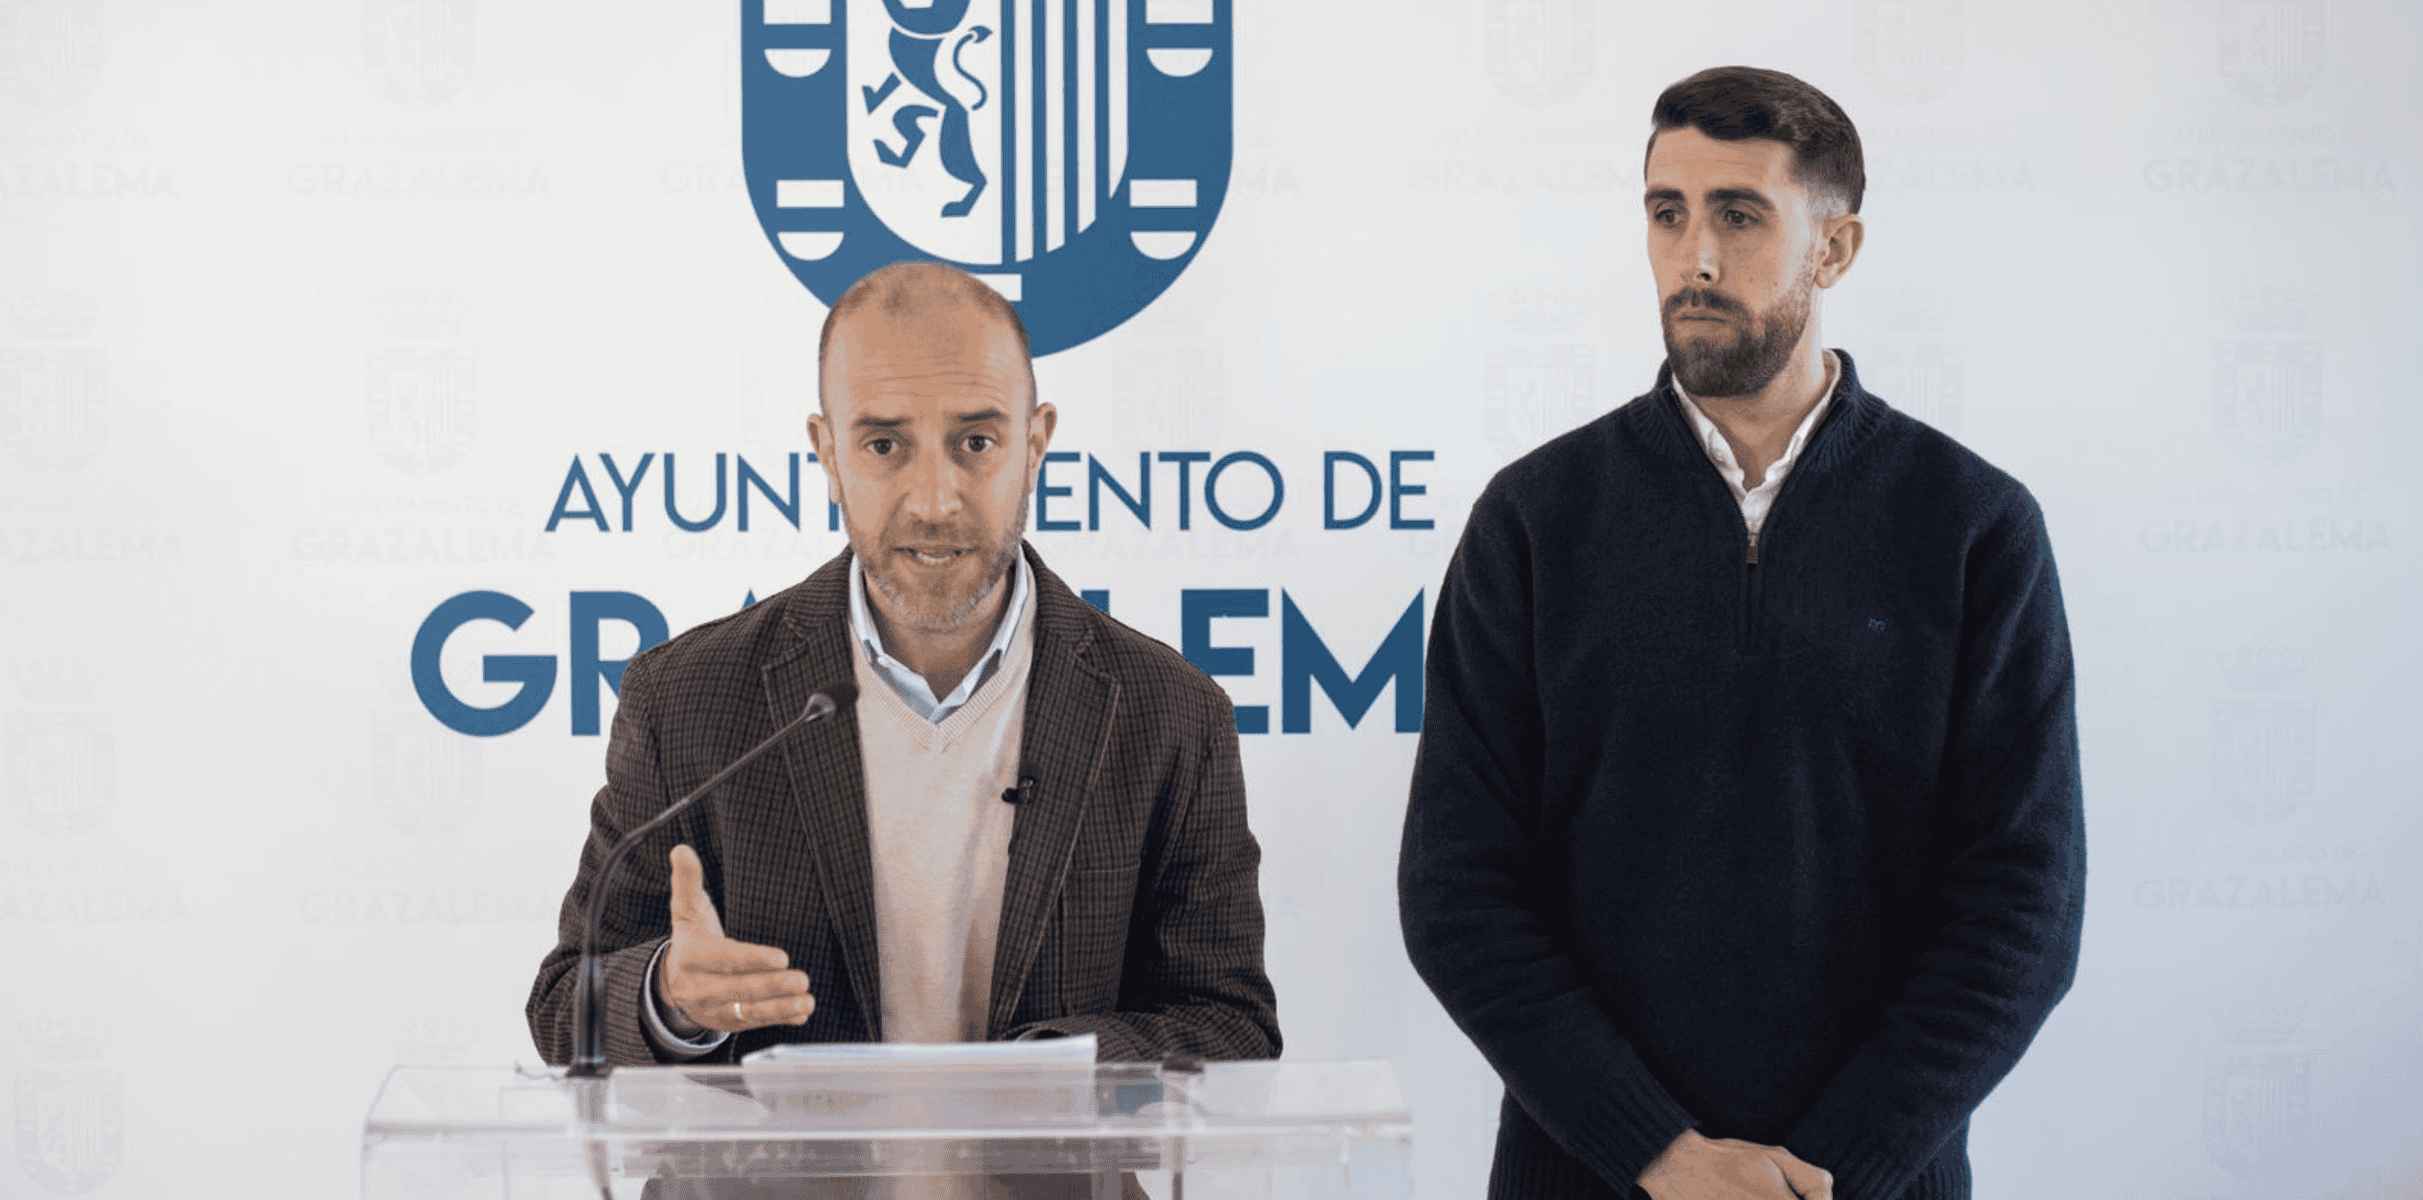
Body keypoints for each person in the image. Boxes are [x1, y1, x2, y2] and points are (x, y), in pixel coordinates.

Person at [1399, 66, 2085, 1200]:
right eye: (1666, 215)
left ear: (1835, 248)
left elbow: (2022, 907)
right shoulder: (1534, 520)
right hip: (1587, 1177)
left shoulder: (1969, 526)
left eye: (1738, 214)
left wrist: (1825, 1171)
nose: (1694, 258)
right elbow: (1456, 891)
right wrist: (1656, 1154)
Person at [528, 261, 1279, 1075]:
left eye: (976, 443)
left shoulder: (1169, 713)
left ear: (1035, 443)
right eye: (885, 444)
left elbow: (1229, 1026)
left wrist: (1038, 1080)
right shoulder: (687, 699)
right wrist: (668, 997)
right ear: (826, 451)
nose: (933, 499)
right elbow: (566, 1006)